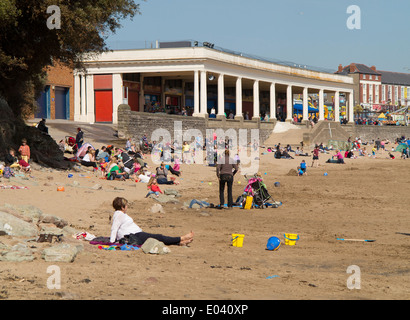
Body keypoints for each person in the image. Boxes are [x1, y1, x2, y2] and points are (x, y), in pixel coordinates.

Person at [109, 197, 194, 246]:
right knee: (159, 237)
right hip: (134, 235)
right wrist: (112, 242)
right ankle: (181, 238)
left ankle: (179, 243)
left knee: (155, 240)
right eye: (126, 205)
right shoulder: (119, 214)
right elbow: (114, 228)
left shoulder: (119, 214)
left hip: (136, 234)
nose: (127, 206)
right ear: (122, 207)